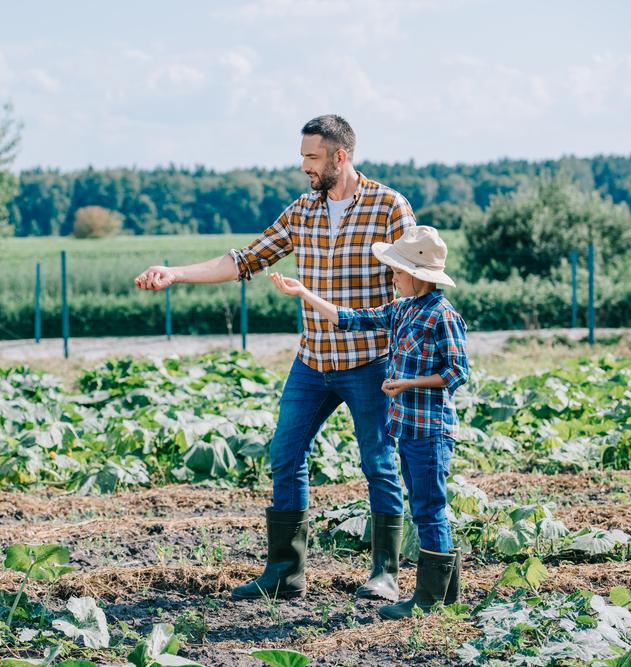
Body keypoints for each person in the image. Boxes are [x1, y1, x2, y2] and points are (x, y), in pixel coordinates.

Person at [134, 115, 418, 602]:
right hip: (312, 361)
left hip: (370, 361)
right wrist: (176, 273)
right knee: (285, 456)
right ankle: (286, 572)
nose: (304, 167)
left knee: (379, 463)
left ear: (339, 157)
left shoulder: (388, 207)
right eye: (302, 157)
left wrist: (406, 360)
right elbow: (245, 259)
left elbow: (411, 287)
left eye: (312, 158)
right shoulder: (302, 211)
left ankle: (385, 573)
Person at [269, 224, 469, 618]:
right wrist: (304, 294)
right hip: (408, 428)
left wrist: (407, 383)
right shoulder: (403, 309)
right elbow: (350, 319)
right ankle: (442, 599)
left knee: (430, 509)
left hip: (431, 431)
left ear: (417, 275)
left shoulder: (443, 316)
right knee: (425, 507)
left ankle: (431, 601)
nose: (392, 278)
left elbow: (457, 372)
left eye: (396, 272)